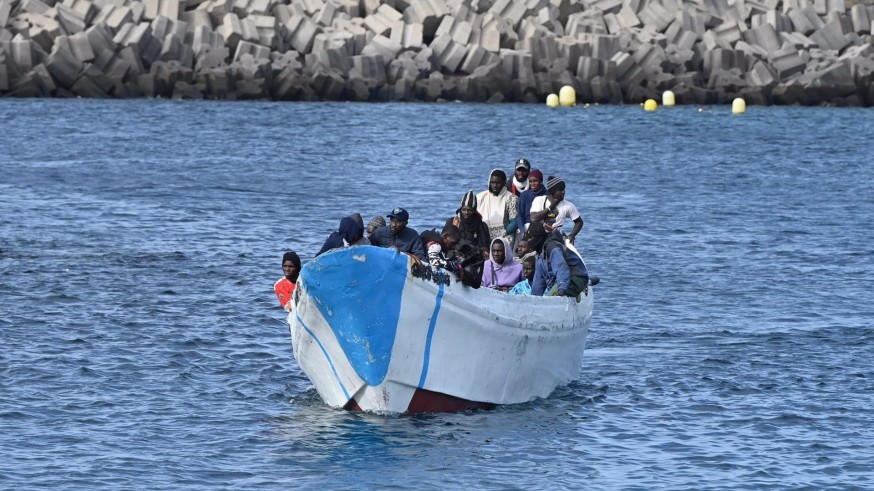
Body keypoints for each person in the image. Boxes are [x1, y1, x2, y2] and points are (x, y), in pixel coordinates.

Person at [527, 221, 588, 298]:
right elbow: (538, 283)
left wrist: (561, 291)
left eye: (530, 238)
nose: (528, 241)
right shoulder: (540, 256)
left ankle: (577, 292)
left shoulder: (553, 248)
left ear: (539, 237)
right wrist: (534, 300)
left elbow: (562, 269)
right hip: (559, 282)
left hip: (576, 278)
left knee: (551, 297)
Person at [529, 175, 583, 245]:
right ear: (552, 191)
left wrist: (572, 235)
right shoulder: (539, 200)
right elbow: (534, 218)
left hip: (555, 240)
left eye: (564, 189)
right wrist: (551, 206)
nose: (563, 192)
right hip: (537, 237)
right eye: (560, 190)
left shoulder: (568, 205)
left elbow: (579, 222)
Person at [476, 168, 518, 247]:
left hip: (504, 236)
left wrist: (504, 233)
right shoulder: (480, 197)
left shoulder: (511, 198)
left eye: (498, 183)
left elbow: (514, 222)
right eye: (492, 182)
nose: (494, 185)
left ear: (504, 183)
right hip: (484, 236)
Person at [446, 191, 491, 260]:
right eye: (464, 209)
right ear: (460, 209)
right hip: (455, 256)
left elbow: (486, 246)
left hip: (474, 257)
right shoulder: (452, 222)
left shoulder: (482, 226)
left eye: (469, 210)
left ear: (474, 211)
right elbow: (445, 242)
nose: (466, 213)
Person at [516, 168, 547, 234]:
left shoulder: (547, 195)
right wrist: (522, 231)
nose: (533, 183)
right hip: (526, 226)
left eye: (535, 181)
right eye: (531, 181)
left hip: (542, 227)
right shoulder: (524, 195)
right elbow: (520, 216)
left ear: (541, 181)